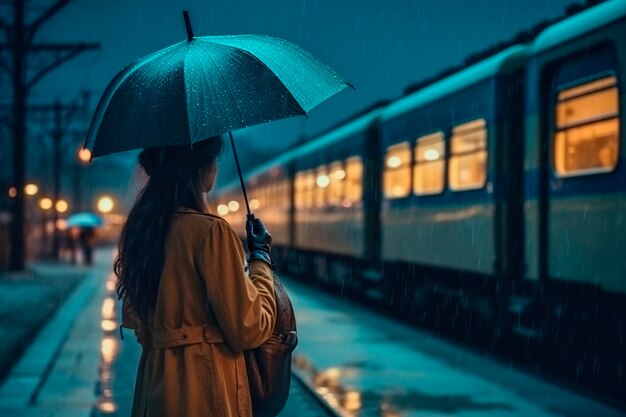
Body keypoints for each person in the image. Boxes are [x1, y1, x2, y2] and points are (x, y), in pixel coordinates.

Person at [116, 136, 276, 417]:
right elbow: (248, 327)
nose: (215, 167)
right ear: (200, 169)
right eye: (213, 160)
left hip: (154, 386)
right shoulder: (210, 232)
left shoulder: (141, 230)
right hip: (205, 388)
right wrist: (260, 259)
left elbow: (136, 320)